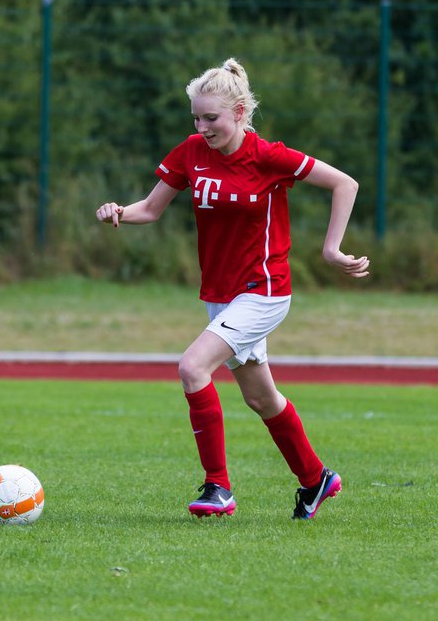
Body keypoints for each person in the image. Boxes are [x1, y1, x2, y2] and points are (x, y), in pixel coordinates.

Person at [96, 58, 370, 519]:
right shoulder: (190, 152)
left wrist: (331, 250)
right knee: (261, 398)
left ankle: (217, 488)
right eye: (197, 118)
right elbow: (151, 209)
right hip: (221, 296)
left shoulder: (268, 157)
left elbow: (345, 182)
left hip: (264, 291)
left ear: (240, 113)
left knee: (192, 367)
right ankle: (315, 478)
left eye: (212, 118)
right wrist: (118, 211)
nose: (203, 127)